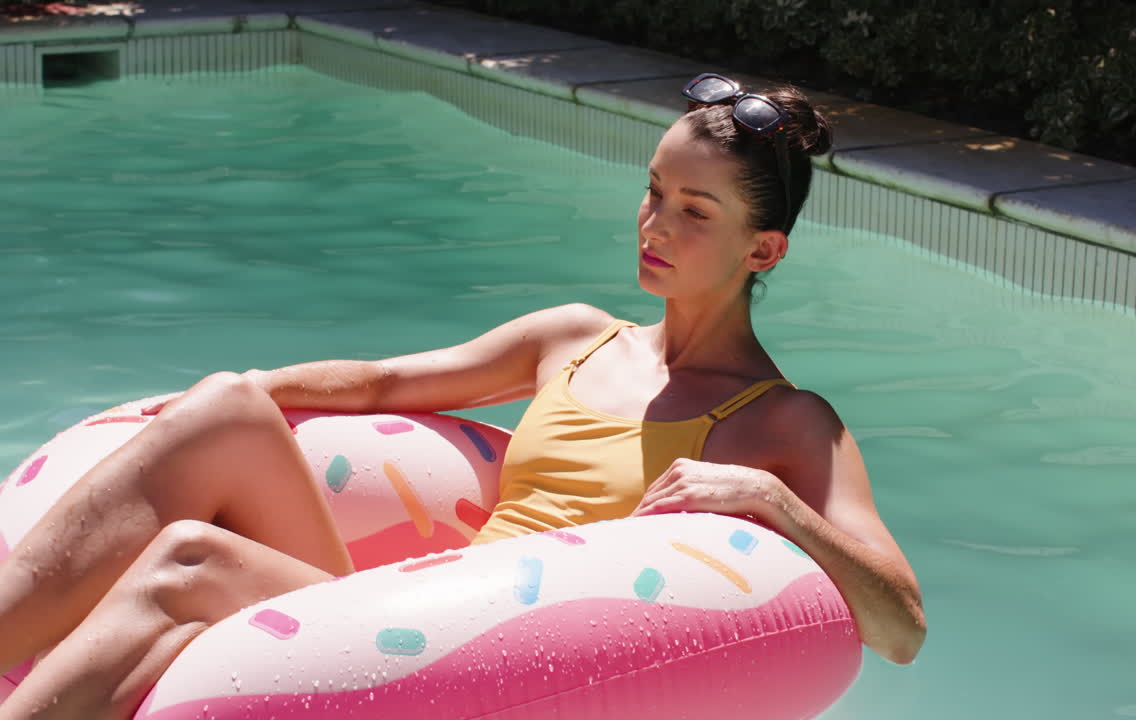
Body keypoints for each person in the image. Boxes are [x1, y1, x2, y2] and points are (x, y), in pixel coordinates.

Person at [0, 73, 925, 720]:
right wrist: (212, 402)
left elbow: (901, 628)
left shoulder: (783, 422)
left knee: (188, 568)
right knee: (224, 407)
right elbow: (386, 382)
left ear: (764, 250)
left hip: (486, 673)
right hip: (390, 617)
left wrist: (768, 500)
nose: (654, 226)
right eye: (652, 192)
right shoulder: (573, 336)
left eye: (696, 211)